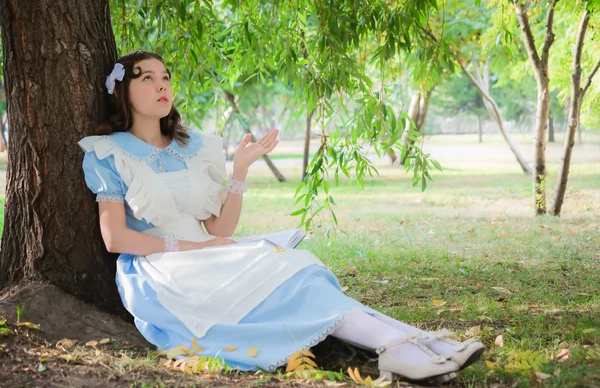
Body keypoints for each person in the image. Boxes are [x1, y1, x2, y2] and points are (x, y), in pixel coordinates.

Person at [78, 50, 484, 383]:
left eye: (165, 76)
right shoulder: (109, 152)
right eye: (146, 78)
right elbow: (115, 239)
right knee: (295, 277)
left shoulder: (192, 145)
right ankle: (407, 348)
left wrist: (240, 171)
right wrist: (188, 247)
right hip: (162, 268)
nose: (161, 84)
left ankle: (419, 343)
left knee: (300, 268)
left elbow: (220, 228)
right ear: (121, 90)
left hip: (208, 250)